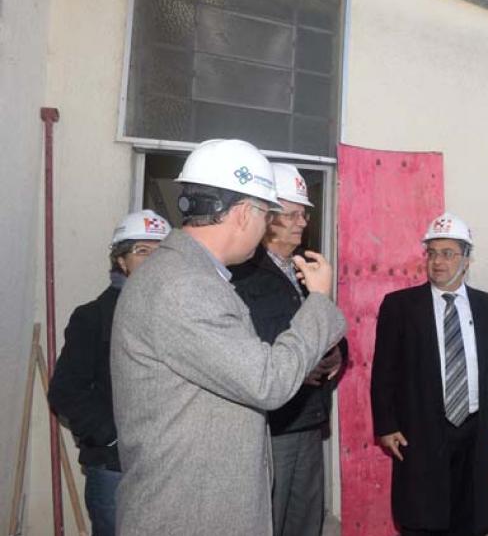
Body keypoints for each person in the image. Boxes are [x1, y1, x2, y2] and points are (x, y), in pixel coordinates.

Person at [110, 139, 347, 536]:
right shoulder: (183, 286)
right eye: (267, 215)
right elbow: (267, 381)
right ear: (242, 214)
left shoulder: (189, 275)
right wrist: (320, 300)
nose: (267, 227)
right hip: (190, 514)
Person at [371, 212, 488, 536]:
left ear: (466, 259)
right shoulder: (400, 306)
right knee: (422, 513)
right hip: (419, 428)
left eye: (447, 253)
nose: (438, 262)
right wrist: (386, 425)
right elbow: (383, 372)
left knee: (469, 513)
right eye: (432, 253)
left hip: (474, 427)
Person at [230, 163, 347, 536]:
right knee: (270, 520)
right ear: (266, 216)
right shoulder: (239, 273)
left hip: (309, 419)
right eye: (293, 214)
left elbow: (325, 325)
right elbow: (243, 347)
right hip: (270, 426)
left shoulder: (305, 267)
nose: (303, 222)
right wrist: (296, 365)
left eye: (304, 214)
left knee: (305, 519)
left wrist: (337, 355)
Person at [48, 209, 170, 536]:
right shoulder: (94, 317)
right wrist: (114, 435)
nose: (153, 261)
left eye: (162, 253)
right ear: (121, 260)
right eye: (142, 251)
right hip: (116, 468)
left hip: (170, 466)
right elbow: (65, 391)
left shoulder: (179, 316)